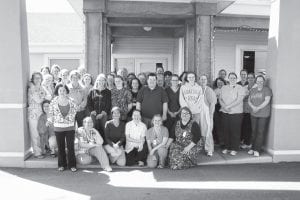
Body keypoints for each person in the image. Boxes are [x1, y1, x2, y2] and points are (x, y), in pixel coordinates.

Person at [48, 84, 77, 172]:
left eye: (64, 90)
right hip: (58, 127)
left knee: (70, 147)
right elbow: (50, 113)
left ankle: (72, 165)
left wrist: (68, 120)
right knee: (60, 148)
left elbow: (74, 112)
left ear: (66, 91)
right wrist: (49, 120)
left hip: (70, 127)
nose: (62, 92)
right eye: (60, 90)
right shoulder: (53, 101)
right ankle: (61, 165)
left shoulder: (72, 101)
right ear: (57, 91)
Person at [219, 72, 245, 156]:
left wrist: (229, 106)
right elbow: (220, 99)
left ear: (236, 79)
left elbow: (239, 99)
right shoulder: (224, 87)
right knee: (226, 130)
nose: (232, 79)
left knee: (235, 131)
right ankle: (227, 147)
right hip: (225, 112)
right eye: (231, 78)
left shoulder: (240, 87)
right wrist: (225, 107)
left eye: (234, 78)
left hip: (236, 113)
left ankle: (234, 148)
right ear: (228, 78)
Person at [248, 75, 272, 157]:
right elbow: (249, 100)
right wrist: (253, 107)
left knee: (260, 132)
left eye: (261, 81)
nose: (259, 83)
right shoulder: (253, 90)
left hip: (263, 114)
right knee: (254, 131)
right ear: (256, 81)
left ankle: (257, 150)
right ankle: (252, 148)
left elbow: (267, 101)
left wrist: (257, 108)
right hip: (254, 113)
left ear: (264, 82)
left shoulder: (267, 90)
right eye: (258, 81)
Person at [28, 72, 46, 158]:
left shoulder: (42, 87)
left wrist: (43, 96)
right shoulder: (31, 88)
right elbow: (39, 100)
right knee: (35, 133)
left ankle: (42, 150)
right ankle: (37, 152)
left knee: (41, 132)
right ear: (33, 79)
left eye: (39, 78)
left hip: (41, 113)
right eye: (36, 78)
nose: (38, 79)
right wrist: (43, 96)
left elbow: (48, 96)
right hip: (33, 114)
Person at [87, 74, 111, 140]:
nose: (101, 82)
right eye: (99, 80)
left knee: (104, 129)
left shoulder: (108, 92)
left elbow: (108, 103)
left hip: (104, 114)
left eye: (103, 80)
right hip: (94, 114)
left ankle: (104, 143)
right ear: (97, 81)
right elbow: (89, 103)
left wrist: (102, 113)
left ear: (105, 82)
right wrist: (92, 111)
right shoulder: (92, 91)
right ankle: (94, 142)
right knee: (93, 129)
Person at [199, 75, 217, 157]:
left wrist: (210, 115)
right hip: (199, 113)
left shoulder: (209, 90)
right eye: (201, 79)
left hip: (207, 113)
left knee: (208, 131)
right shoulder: (198, 89)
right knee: (201, 131)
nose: (203, 80)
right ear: (199, 80)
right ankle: (204, 148)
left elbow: (212, 104)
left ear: (207, 81)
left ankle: (210, 149)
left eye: (204, 79)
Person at [164, 74, 181, 139]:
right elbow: (165, 103)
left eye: (176, 80)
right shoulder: (166, 90)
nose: (175, 82)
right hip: (168, 114)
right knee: (168, 130)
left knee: (176, 131)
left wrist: (178, 112)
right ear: (170, 81)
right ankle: (167, 146)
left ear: (178, 81)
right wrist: (169, 112)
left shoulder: (181, 89)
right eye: (173, 80)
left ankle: (175, 147)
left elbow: (183, 103)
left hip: (179, 114)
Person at [212, 77, 227, 147]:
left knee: (225, 126)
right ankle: (221, 142)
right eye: (218, 83)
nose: (220, 84)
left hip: (226, 109)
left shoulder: (228, 90)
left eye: (221, 82)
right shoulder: (214, 91)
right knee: (218, 126)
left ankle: (226, 141)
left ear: (224, 83)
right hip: (217, 110)